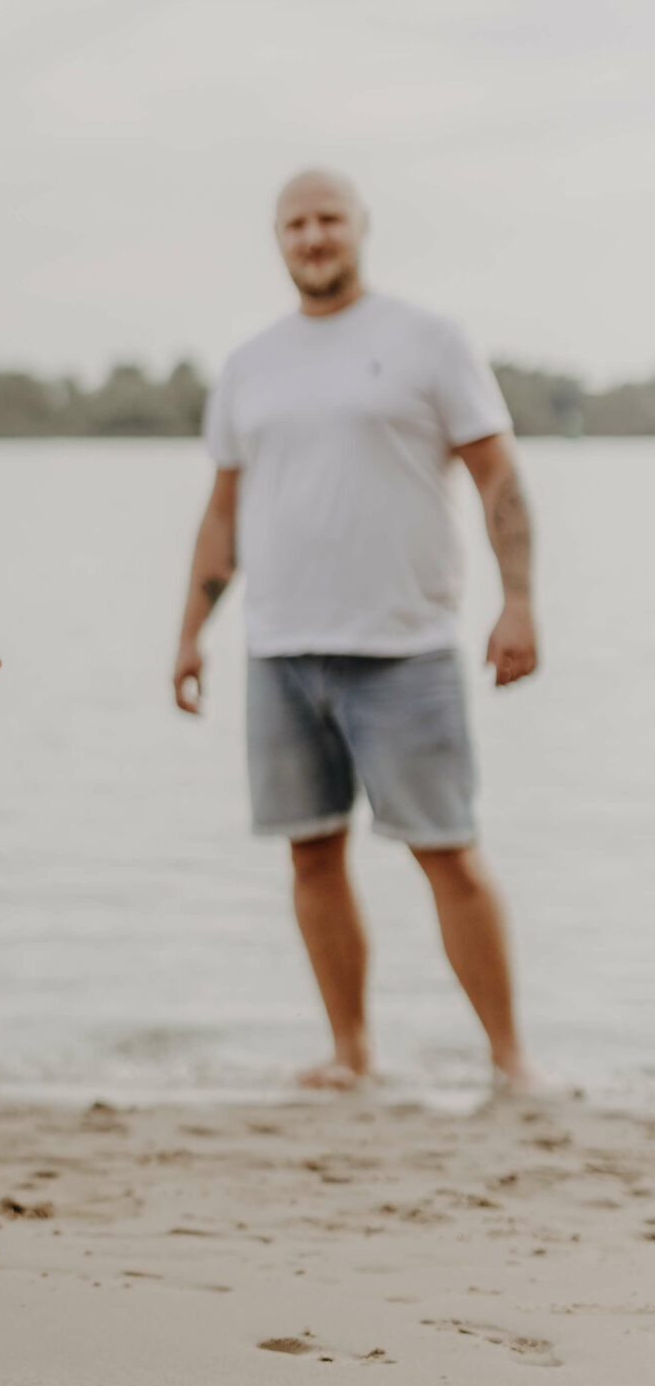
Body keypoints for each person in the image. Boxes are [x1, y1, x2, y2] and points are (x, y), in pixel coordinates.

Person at [172, 168, 541, 1094]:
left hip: (405, 645)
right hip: (280, 648)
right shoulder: (251, 362)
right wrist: (189, 635)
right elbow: (224, 510)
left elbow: (499, 478)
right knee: (312, 851)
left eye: (328, 217)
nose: (312, 236)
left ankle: (511, 1062)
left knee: (447, 849)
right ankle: (351, 1054)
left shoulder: (427, 340)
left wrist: (520, 600)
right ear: (278, 239)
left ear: (360, 227)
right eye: (294, 223)